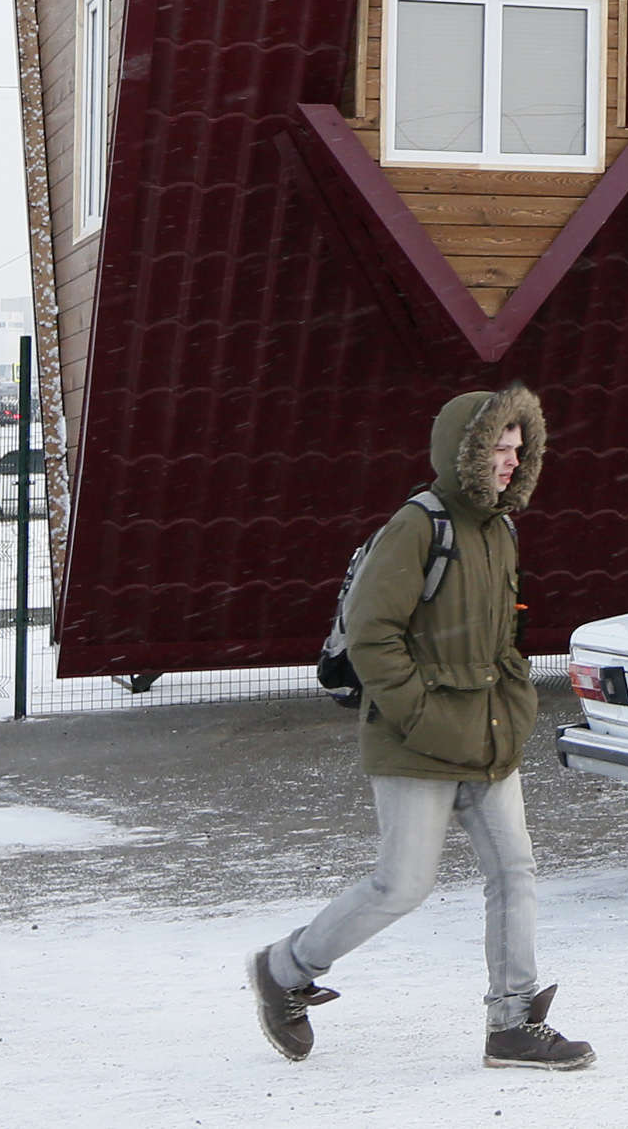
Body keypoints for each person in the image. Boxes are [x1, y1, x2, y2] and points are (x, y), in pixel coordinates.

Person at [247, 385, 590, 1070]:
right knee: (400, 885)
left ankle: (512, 1022)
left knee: (514, 869)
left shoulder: (502, 528)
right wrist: (425, 716)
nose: (511, 460)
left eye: (519, 448)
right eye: (500, 446)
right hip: (415, 742)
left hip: (488, 736)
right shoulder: (418, 526)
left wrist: (515, 705)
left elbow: (506, 637)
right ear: (467, 451)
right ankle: (284, 969)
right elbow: (374, 637)